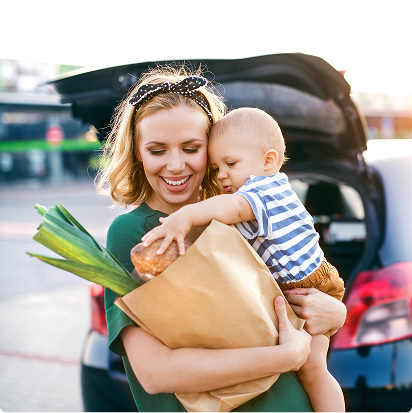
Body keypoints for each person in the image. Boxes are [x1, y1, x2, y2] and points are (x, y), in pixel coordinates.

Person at [97, 66, 347, 412]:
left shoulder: (233, 218)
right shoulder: (135, 233)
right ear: (138, 154)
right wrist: (284, 356)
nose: (175, 165)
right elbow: (155, 373)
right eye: (157, 150)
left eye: (191, 147)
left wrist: (336, 312)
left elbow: (285, 294)